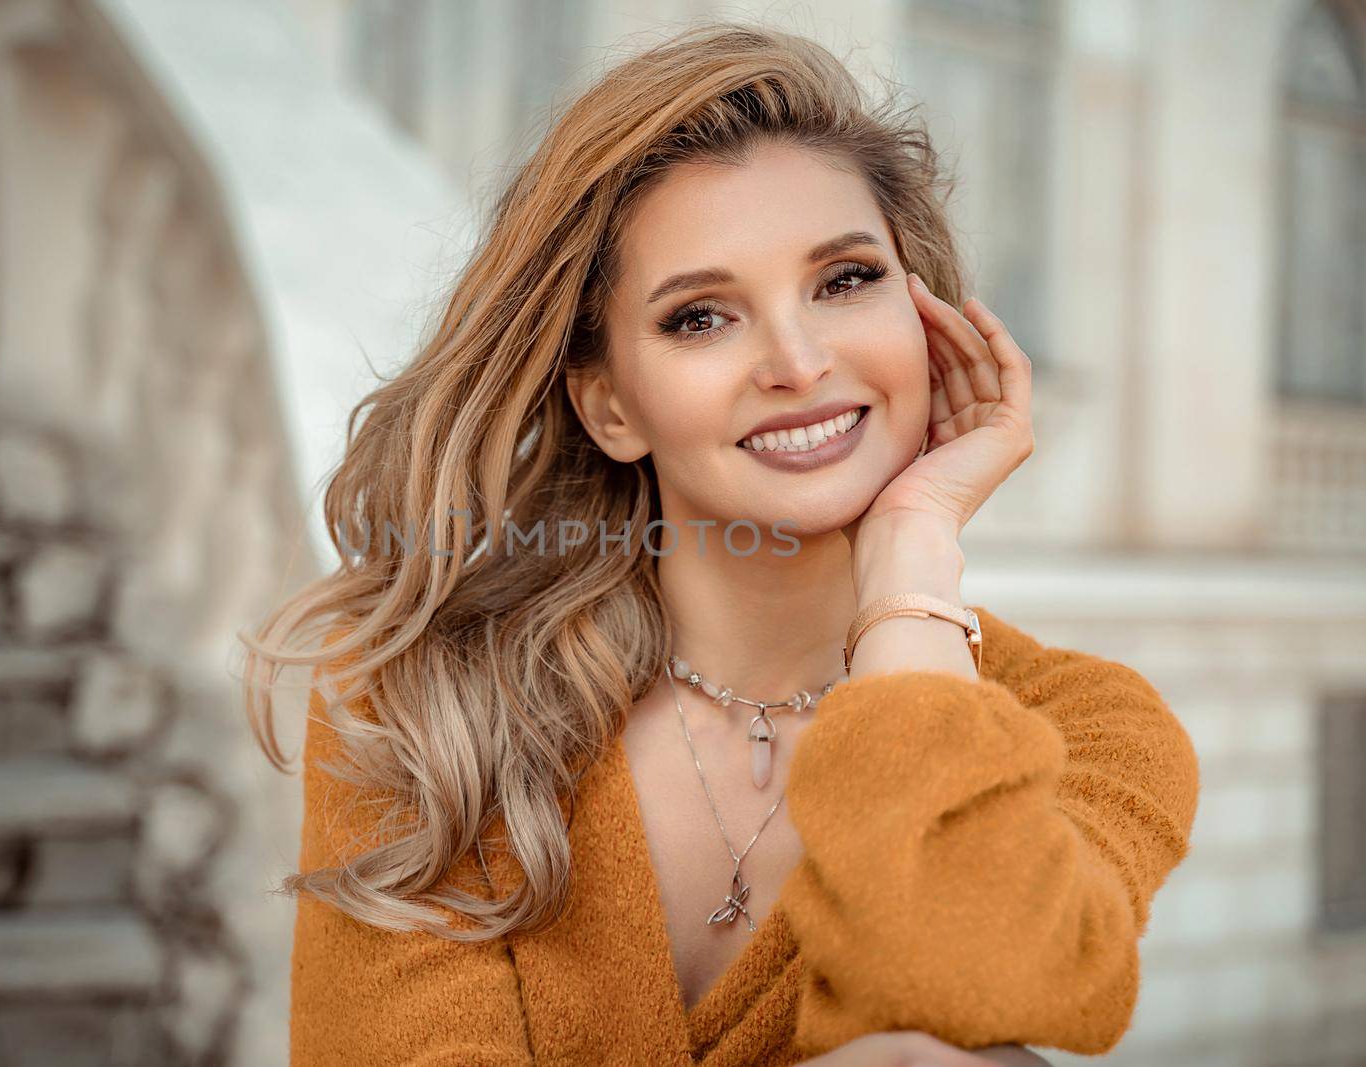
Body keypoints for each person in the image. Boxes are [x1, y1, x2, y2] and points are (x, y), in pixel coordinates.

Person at [240, 20, 1200, 1067]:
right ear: (611, 406)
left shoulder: (1091, 724)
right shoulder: (427, 696)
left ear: (928, 326)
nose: (796, 360)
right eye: (700, 316)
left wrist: (912, 563)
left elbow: (978, 977)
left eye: (844, 280)